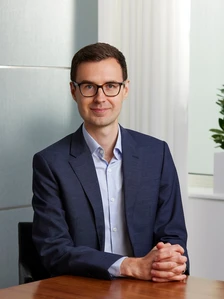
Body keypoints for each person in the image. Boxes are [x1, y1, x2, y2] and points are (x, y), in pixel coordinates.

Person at [32, 42, 189, 282]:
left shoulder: (157, 154)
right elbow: (54, 251)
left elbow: (173, 234)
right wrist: (129, 266)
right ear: (73, 91)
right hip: (83, 289)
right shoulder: (50, 163)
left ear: (125, 89)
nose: (100, 97)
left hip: (149, 287)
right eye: (88, 87)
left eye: (111, 86)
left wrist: (169, 259)